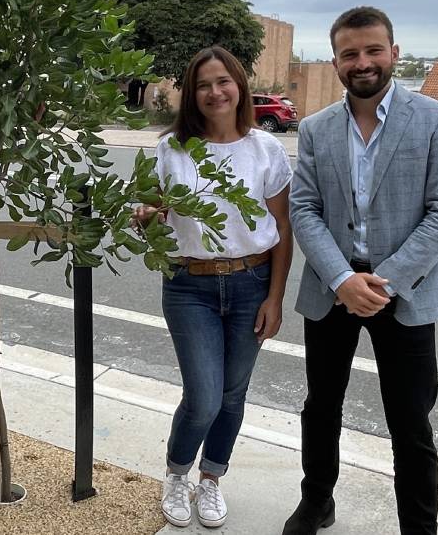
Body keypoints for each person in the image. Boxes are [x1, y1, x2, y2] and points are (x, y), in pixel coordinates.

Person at [284, 6, 438, 535]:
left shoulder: (436, 119)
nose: (362, 62)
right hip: (332, 289)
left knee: (410, 422)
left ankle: (419, 526)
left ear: (394, 53)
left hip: (404, 295)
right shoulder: (317, 128)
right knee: (321, 407)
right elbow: (305, 208)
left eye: (372, 50)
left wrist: (380, 282)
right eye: (349, 54)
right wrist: (343, 280)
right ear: (336, 61)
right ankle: (316, 501)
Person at [134, 46, 293, 529]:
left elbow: (283, 230)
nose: (214, 92)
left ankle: (211, 479)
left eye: (223, 81)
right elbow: (151, 215)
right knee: (203, 396)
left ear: (240, 86)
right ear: (192, 93)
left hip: (252, 282)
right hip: (189, 286)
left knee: (232, 395)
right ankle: (177, 473)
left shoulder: (267, 149)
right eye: (203, 84)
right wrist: (145, 219)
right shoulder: (171, 149)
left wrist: (275, 297)